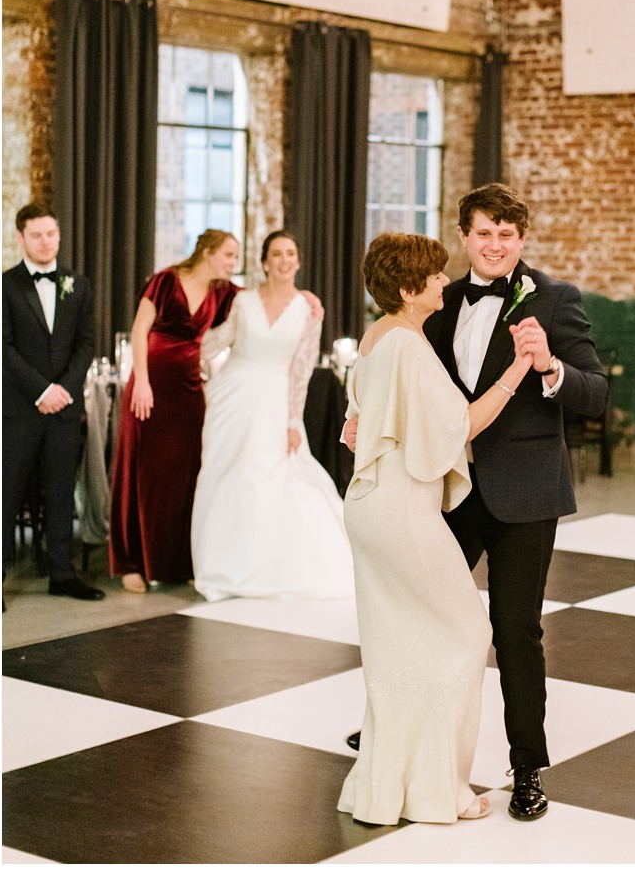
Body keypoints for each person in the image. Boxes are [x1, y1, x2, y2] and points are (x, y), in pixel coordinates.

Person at [344, 183, 609, 819]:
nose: (495, 245)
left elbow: (596, 393)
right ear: (464, 236)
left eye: (507, 236)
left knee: (515, 631)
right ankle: (391, 733)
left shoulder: (556, 300)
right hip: (445, 492)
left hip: (525, 494)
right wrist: (364, 415)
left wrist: (549, 367)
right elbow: (410, 383)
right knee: (414, 610)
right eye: (484, 233)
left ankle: (526, 770)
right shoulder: (438, 298)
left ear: (522, 240)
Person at [338, 231, 537, 825]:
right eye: (433, 277)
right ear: (408, 289)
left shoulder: (378, 339)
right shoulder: (407, 346)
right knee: (466, 634)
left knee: (401, 642)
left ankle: (387, 786)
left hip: (372, 504)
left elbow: (359, 416)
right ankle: (436, 789)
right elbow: (461, 425)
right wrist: (520, 367)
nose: (444, 283)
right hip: (402, 509)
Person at [190, 231, 353, 602]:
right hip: (231, 397)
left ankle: (265, 566)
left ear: (297, 261)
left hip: (275, 400)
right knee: (223, 475)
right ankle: (219, 566)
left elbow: (302, 367)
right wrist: (183, 352)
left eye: (290, 254)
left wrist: (294, 420)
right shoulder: (243, 301)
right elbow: (219, 340)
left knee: (270, 476)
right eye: (276, 254)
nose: (283, 260)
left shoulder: (308, 308)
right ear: (264, 262)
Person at [110, 230, 241, 593]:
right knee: (140, 471)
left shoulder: (223, 292)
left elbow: (260, 307)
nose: (233, 263)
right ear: (208, 252)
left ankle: (176, 562)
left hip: (188, 391)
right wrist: (142, 382)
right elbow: (139, 332)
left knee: (185, 476)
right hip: (149, 388)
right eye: (229, 255)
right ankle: (130, 563)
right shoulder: (165, 281)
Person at [2, 202, 104, 602]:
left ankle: (62, 574)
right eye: (37, 234)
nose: (46, 242)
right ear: (20, 237)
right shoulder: (5, 285)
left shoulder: (78, 285)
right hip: (19, 410)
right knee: (6, 493)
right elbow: (3, 348)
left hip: (64, 408)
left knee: (62, 493)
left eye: (51, 233)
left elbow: (86, 345)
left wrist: (62, 389)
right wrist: (41, 391)